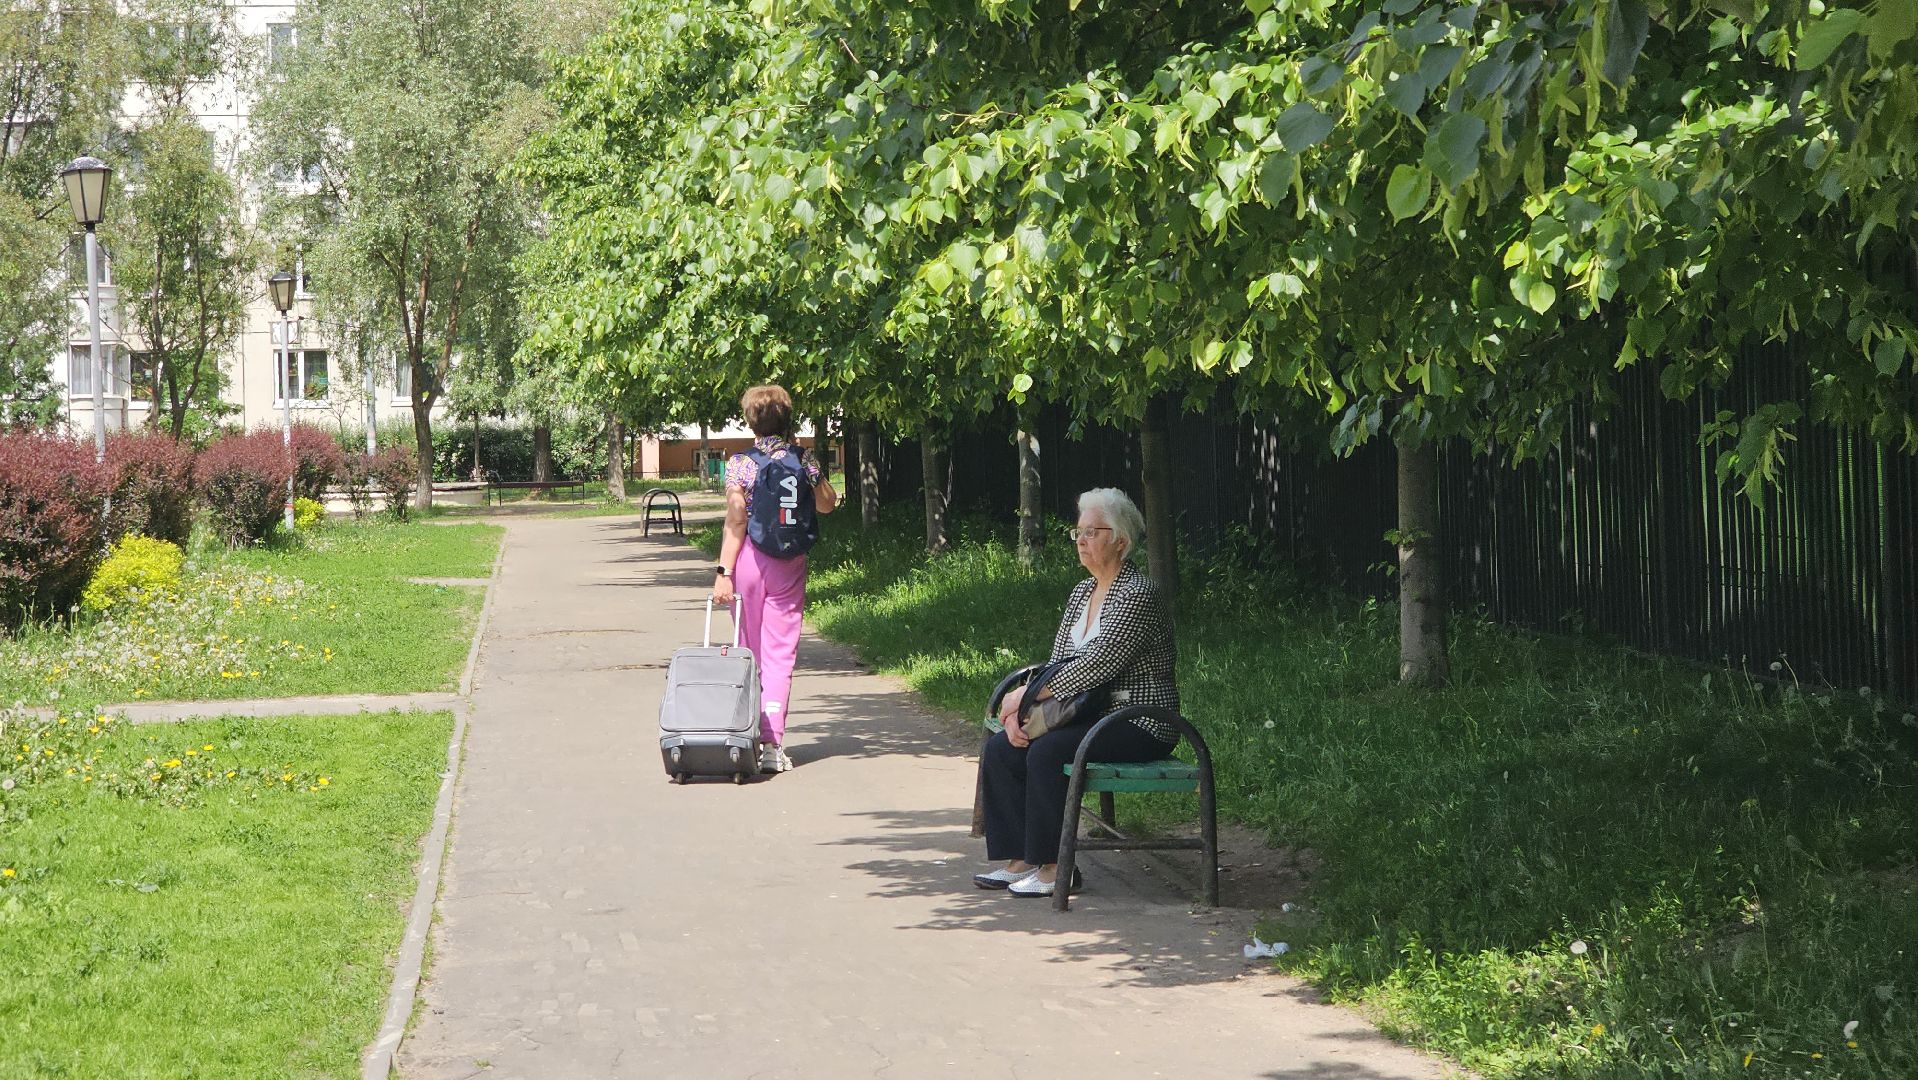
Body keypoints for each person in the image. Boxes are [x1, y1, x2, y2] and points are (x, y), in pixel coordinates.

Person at [973, 487, 1180, 898]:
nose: (1081, 541)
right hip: (1089, 712)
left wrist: (1025, 698)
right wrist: (1022, 714)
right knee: (1002, 746)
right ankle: (1021, 859)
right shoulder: (1082, 593)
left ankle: (1057, 869)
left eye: (1092, 532)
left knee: (1048, 751)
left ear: (1120, 539)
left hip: (1138, 718)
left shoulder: (1138, 594)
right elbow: (1058, 663)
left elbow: (1095, 665)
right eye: (1078, 532)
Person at [711, 385, 838, 773]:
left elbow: (736, 520)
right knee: (780, 652)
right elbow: (828, 504)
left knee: (749, 650)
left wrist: (723, 573)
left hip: (749, 561)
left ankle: (744, 732)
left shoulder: (740, 464)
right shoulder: (805, 460)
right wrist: (809, 468)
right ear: (787, 418)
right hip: (789, 563)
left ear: (750, 420)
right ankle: (772, 743)